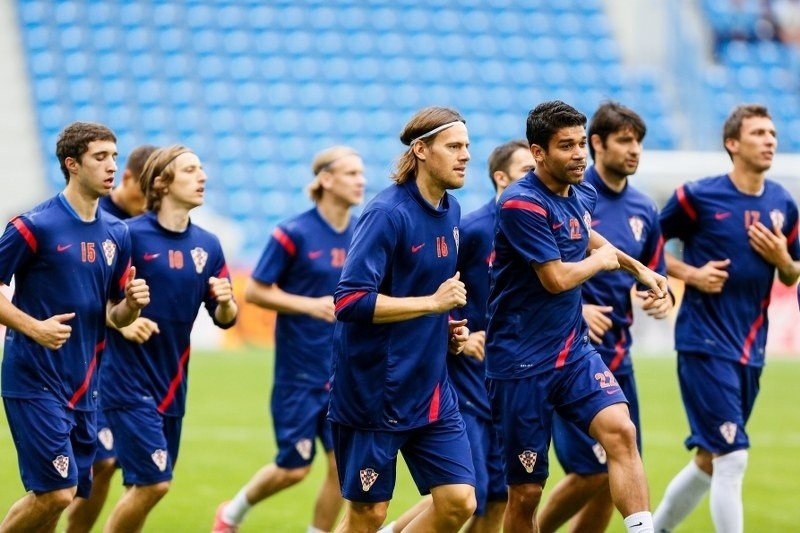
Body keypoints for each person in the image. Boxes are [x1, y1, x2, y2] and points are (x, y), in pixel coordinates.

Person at [485, 100, 667, 533]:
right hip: (520, 362)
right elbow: (555, 278)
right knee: (527, 492)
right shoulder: (520, 204)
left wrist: (637, 268)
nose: (579, 154)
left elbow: (585, 235)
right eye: (566, 146)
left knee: (621, 432)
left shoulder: (583, 192)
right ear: (538, 152)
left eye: (581, 143)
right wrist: (603, 264)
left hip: (572, 352)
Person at [328, 106, 477, 533]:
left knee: (457, 501)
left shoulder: (452, 210)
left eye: (467, 146)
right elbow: (350, 300)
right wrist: (431, 305)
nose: (465, 155)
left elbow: (423, 295)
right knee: (368, 514)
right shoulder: (387, 213)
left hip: (429, 386)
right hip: (375, 392)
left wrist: (441, 327)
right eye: (454, 146)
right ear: (422, 150)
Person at [653, 104, 800, 533]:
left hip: (750, 346)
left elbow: (792, 273)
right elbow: (647, 248)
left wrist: (781, 259)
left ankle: (656, 529)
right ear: (732, 144)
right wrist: (690, 274)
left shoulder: (783, 203)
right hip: (703, 342)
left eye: (772, 133)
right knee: (733, 456)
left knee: (711, 459)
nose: (769, 140)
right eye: (758, 133)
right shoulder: (697, 196)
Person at [0, 122, 150, 532]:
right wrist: (34, 327)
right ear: (72, 164)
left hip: (85, 385)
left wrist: (131, 306)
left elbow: (115, 315)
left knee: (56, 498)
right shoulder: (35, 225)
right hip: (34, 377)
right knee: (56, 493)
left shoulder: (117, 233)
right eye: (100, 157)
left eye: (115, 157)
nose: (111, 166)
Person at [379, 140, 535, 533]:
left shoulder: (537, 227)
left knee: (501, 492)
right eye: (525, 171)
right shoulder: (473, 228)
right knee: (468, 492)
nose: (535, 179)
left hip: (514, 377)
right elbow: (440, 285)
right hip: (467, 376)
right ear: (501, 177)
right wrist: (463, 333)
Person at [212, 146, 367, 533]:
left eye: (361, 173)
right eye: (350, 173)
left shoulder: (363, 232)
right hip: (299, 374)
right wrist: (308, 305)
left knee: (341, 467)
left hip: (344, 374)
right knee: (293, 469)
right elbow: (256, 292)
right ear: (326, 179)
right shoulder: (293, 232)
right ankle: (231, 513)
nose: (360, 180)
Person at [537, 102, 672, 533]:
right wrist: (580, 308)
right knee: (592, 470)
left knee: (617, 467)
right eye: (624, 141)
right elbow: (537, 273)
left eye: (638, 142)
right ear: (597, 144)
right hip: (569, 353)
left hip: (620, 353)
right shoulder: (570, 193)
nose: (634, 150)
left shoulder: (643, 208)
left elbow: (652, 271)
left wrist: (659, 296)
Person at [100, 145, 238, 532]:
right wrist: (125, 317)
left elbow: (225, 319)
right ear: (161, 182)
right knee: (154, 483)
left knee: (141, 486)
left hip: (172, 382)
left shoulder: (208, 244)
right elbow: (96, 302)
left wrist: (226, 303)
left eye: (201, 168)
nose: (202, 176)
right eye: (191, 170)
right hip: (125, 381)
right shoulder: (126, 235)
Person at [65, 143, 157, 533]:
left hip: (133, 372)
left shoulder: (147, 224)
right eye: (149, 188)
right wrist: (120, 319)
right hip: (84, 364)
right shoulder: (96, 217)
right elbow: (76, 291)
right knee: (95, 465)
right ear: (132, 179)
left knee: (117, 467)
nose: (154, 199)